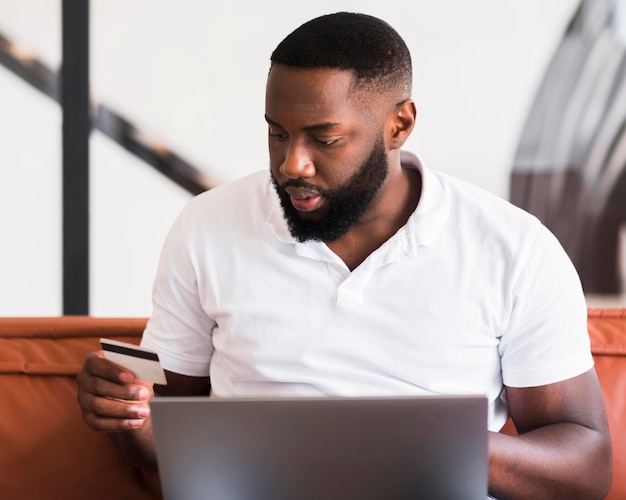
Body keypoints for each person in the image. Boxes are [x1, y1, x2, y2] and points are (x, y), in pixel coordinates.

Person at [77, 12, 612, 499]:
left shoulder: (512, 248)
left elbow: (585, 466)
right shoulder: (207, 228)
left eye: (324, 139)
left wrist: (436, 445)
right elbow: (160, 438)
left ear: (398, 125)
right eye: (277, 134)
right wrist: (130, 418)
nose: (293, 165)